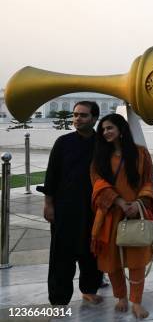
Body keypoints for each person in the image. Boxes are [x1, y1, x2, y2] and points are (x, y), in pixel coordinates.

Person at [90, 113, 153, 319]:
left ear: (121, 129)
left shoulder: (140, 154)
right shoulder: (100, 157)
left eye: (109, 128)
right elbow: (97, 183)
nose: (106, 132)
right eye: (103, 129)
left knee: (136, 258)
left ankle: (136, 301)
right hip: (109, 214)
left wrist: (138, 204)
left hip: (135, 214)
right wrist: (118, 202)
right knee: (111, 259)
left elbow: (147, 181)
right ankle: (121, 297)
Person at [40, 101, 104, 306]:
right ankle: (59, 298)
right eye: (75, 115)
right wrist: (49, 204)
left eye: (83, 115)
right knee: (61, 256)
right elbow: (51, 176)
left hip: (94, 208)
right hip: (65, 208)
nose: (77, 119)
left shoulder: (103, 144)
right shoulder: (63, 142)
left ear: (94, 119)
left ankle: (89, 289)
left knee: (92, 252)